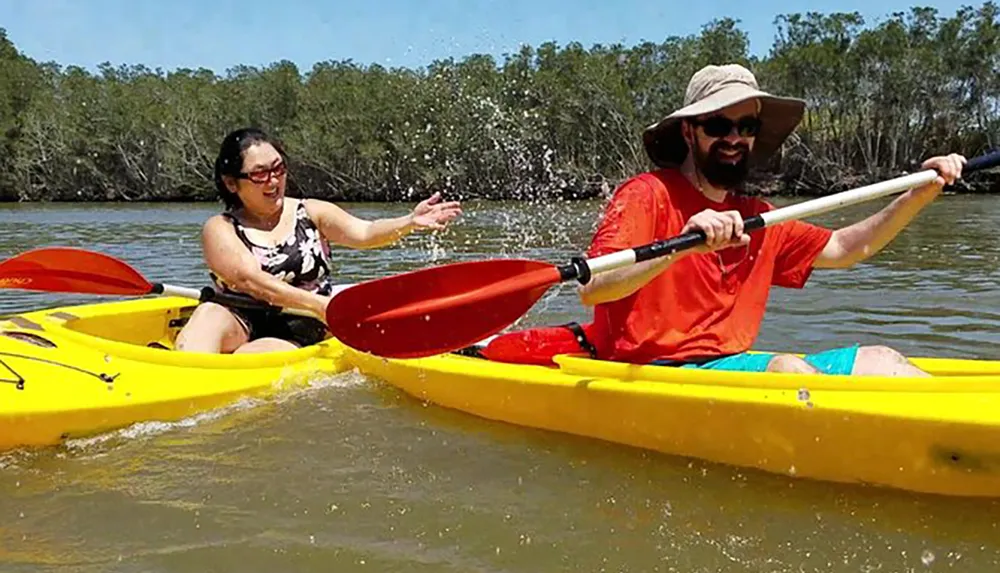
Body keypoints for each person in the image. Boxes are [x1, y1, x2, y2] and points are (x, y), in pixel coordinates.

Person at [576, 63, 966, 376]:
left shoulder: (759, 217)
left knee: (883, 360)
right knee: (788, 371)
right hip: (656, 370)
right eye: (717, 125)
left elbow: (847, 248)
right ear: (688, 131)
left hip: (728, 366)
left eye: (747, 127)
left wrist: (920, 195)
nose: (734, 138)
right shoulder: (646, 194)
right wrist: (679, 247)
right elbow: (594, 288)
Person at [175, 127, 462, 354]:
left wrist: (409, 222)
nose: (274, 181)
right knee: (208, 316)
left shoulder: (311, 211)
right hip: (241, 315)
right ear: (231, 183)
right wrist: (321, 305)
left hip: (299, 322)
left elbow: (364, 232)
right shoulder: (220, 227)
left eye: (278, 168)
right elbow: (253, 281)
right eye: (260, 174)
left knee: (251, 357)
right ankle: (184, 397)